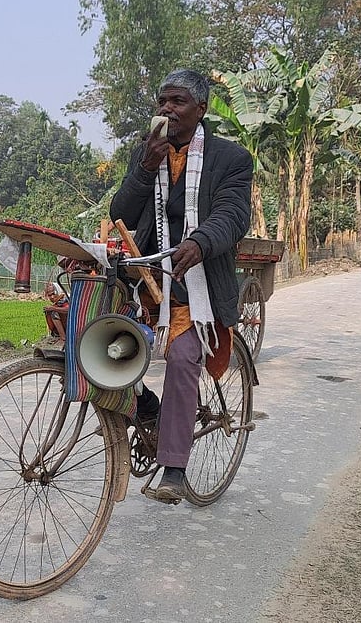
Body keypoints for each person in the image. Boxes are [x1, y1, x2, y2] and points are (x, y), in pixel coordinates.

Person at [109, 69, 253, 502]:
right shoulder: (147, 152)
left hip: (199, 279)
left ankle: (174, 467)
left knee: (185, 354)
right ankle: (147, 407)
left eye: (177, 101)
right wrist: (145, 167)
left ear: (201, 109)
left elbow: (232, 213)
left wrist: (201, 241)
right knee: (101, 338)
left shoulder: (231, 159)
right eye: (162, 101)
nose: (166, 109)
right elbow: (122, 212)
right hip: (150, 274)